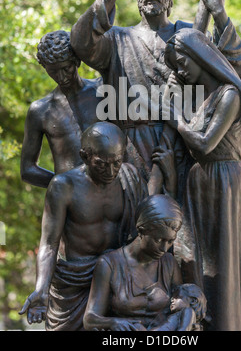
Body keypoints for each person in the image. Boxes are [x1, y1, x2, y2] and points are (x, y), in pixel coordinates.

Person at [70, 0, 241, 199]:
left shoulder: (192, 36)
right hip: (130, 153)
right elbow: (80, 44)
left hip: (184, 146)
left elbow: (235, 73)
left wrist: (220, 14)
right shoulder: (116, 39)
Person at [163, 27, 241, 331]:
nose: (180, 70)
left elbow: (205, 144)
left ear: (199, 56)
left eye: (182, 61)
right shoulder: (200, 99)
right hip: (199, 186)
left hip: (225, 182)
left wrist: (177, 119)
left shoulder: (230, 94)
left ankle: (228, 321)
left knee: (225, 262)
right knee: (196, 262)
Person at [19, 122, 150, 331]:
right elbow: (49, 243)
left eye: (117, 162)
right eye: (101, 164)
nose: (111, 170)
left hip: (117, 280)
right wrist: (41, 289)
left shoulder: (130, 177)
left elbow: (147, 229)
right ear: (85, 156)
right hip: (75, 281)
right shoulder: (64, 186)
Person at [83, 195, 206, 331]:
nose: (164, 249)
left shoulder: (169, 263)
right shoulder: (109, 264)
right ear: (141, 231)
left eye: (170, 241)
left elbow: (181, 309)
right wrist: (113, 323)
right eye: (158, 240)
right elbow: (90, 319)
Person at [20, 30, 102, 188]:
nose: (61, 77)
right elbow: (27, 170)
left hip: (112, 195)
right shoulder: (41, 110)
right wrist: (65, 187)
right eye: (53, 71)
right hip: (70, 202)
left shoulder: (102, 91)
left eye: (66, 69)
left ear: (76, 61)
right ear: (45, 68)